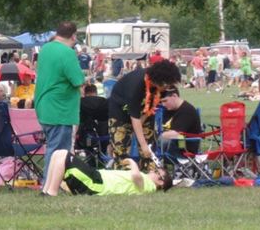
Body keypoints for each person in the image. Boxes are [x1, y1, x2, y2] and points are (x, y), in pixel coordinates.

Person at [108, 60, 181, 171]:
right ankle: (125, 177)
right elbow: (134, 117)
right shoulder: (136, 85)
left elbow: (149, 110)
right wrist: (142, 144)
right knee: (121, 150)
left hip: (144, 111)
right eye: (167, 84)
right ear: (159, 80)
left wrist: (144, 144)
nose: (168, 88)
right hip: (120, 112)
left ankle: (151, 177)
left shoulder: (163, 88)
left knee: (149, 149)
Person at [34, 21, 84, 182]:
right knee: (58, 151)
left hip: (44, 105)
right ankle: (50, 185)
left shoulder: (45, 49)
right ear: (73, 36)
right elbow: (77, 80)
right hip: (60, 108)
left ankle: (52, 183)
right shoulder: (68, 52)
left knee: (52, 147)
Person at [41, 149, 172, 196]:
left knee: (63, 155)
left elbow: (136, 176)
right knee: (58, 154)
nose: (151, 170)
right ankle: (46, 191)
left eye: (156, 171)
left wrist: (132, 162)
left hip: (97, 184)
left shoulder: (150, 186)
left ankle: (51, 192)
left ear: (160, 181)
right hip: (97, 177)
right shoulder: (147, 180)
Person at [158, 86, 202, 160]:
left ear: (174, 96)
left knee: (162, 140)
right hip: (170, 144)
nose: (163, 105)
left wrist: (157, 137)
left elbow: (176, 134)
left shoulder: (187, 111)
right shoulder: (169, 109)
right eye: (161, 102)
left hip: (183, 149)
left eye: (165, 101)